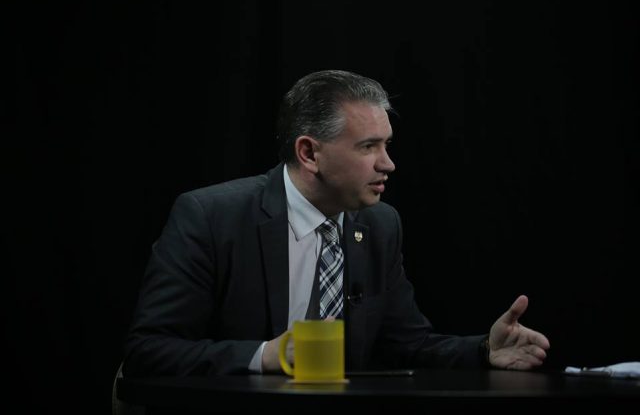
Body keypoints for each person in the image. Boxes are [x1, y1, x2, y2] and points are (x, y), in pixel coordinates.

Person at [123, 70, 550, 377]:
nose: (388, 164)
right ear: (310, 153)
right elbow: (150, 350)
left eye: (387, 145)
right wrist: (268, 355)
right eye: (368, 147)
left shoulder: (380, 225)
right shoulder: (212, 217)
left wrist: (484, 350)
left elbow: (408, 344)